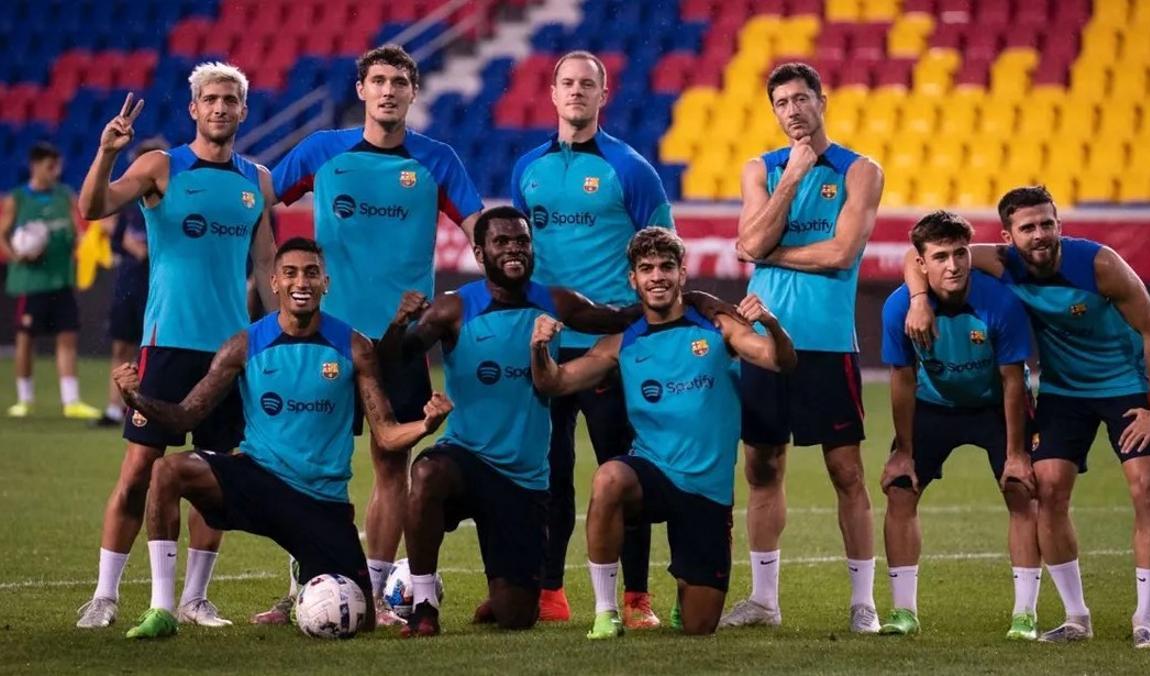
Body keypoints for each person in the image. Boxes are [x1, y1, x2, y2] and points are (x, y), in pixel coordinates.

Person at [385, 207, 723, 637]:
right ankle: (424, 605)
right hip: (466, 459)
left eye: (521, 241)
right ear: (478, 251)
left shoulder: (558, 302)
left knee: (517, 617)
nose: (513, 250)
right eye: (501, 242)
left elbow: (623, 317)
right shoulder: (454, 309)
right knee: (428, 472)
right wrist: (398, 323)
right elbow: (397, 360)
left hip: (524, 482)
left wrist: (694, 299)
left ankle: (505, 587)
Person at [113, 237, 452, 639]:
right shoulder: (244, 345)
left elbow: (387, 433)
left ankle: (305, 584)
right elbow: (187, 415)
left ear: (326, 282)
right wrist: (136, 398)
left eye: (311, 272)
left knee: (360, 620)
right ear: (273, 282)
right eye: (290, 273)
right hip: (258, 478)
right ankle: (163, 609)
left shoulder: (354, 346)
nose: (301, 282)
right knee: (168, 470)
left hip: (321, 501)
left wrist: (425, 426)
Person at [267, 45, 484, 625]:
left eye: (400, 82)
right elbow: (255, 200)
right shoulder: (322, 152)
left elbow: (480, 232)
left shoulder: (437, 161)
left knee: (392, 464)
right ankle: (303, 590)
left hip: (401, 344)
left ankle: (375, 591)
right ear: (361, 89)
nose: (389, 91)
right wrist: (274, 273)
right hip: (323, 338)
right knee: (306, 466)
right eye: (379, 80)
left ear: (414, 92)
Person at [902, 186, 1150, 648]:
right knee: (1046, 489)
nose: (1040, 234)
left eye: (1047, 223)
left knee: (1145, 486)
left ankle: (1146, 621)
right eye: (1028, 227)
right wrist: (918, 299)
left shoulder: (1099, 265)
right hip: (1062, 391)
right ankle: (1076, 617)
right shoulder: (1002, 261)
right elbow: (917, 258)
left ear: (1059, 226)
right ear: (1009, 235)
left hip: (1124, 385)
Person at [74, 62, 277, 629]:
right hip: (167, 346)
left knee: (214, 477)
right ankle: (105, 594)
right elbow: (92, 208)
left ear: (243, 109)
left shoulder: (256, 180)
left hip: (229, 352)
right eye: (209, 99)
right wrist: (107, 152)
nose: (219, 108)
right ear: (193, 108)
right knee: (138, 471)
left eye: (229, 100)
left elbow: (265, 265)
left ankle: (194, 599)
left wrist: (279, 333)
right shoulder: (162, 166)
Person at [529, 227, 796, 638]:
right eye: (647, 268)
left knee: (698, 626)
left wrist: (772, 325)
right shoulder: (621, 342)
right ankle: (606, 613)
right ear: (632, 279)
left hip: (706, 490)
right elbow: (556, 383)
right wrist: (538, 350)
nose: (658, 276)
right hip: (652, 473)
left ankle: (686, 584)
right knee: (610, 478)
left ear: (682, 274)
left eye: (667, 267)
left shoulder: (718, 327)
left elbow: (779, 361)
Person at [511, 49, 675, 627]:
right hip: (547, 348)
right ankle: (550, 592)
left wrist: (640, 330)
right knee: (548, 472)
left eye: (588, 84)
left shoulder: (630, 169)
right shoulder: (527, 168)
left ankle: (635, 599)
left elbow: (663, 255)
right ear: (552, 94)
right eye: (567, 83)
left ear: (603, 96)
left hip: (613, 352)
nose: (577, 92)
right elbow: (517, 257)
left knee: (623, 472)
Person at [723, 62, 884, 632]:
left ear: (822, 100)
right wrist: (791, 177)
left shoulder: (861, 170)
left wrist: (769, 255)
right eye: (781, 103)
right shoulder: (761, 169)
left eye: (800, 99)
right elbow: (748, 241)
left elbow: (841, 253)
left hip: (827, 342)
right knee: (762, 467)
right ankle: (764, 601)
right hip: (764, 344)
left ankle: (863, 602)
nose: (792, 110)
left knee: (846, 472)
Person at [877, 211, 1039, 639]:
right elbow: (902, 379)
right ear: (921, 263)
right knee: (900, 490)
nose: (953, 265)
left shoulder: (1001, 303)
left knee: (1021, 489)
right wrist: (903, 451)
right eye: (941, 256)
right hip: (935, 405)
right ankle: (903, 612)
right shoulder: (899, 308)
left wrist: (1019, 454)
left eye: (961, 253)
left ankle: (1025, 614)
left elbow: (1012, 382)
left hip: (994, 406)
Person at [1, 142, 101, 420]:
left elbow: (78, 229)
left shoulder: (64, 195)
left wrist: (82, 244)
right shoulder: (17, 199)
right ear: (35, 166)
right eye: (49, 166)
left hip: (61, 279)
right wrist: (17, 254)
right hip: (31, 283)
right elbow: (2, 235)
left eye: (57, 166)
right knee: (25, 340)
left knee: (67, 337)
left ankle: (71, 401)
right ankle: (25, 399)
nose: (55, 171)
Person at [94, 138, 169, 427]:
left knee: (153, 348)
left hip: (160, 282)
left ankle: (145, 407)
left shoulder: (171, 201)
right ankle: (115, 407)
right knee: (122, 346)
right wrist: (125, 240)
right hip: (129, 282)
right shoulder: (128, 202)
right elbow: (113, 236)